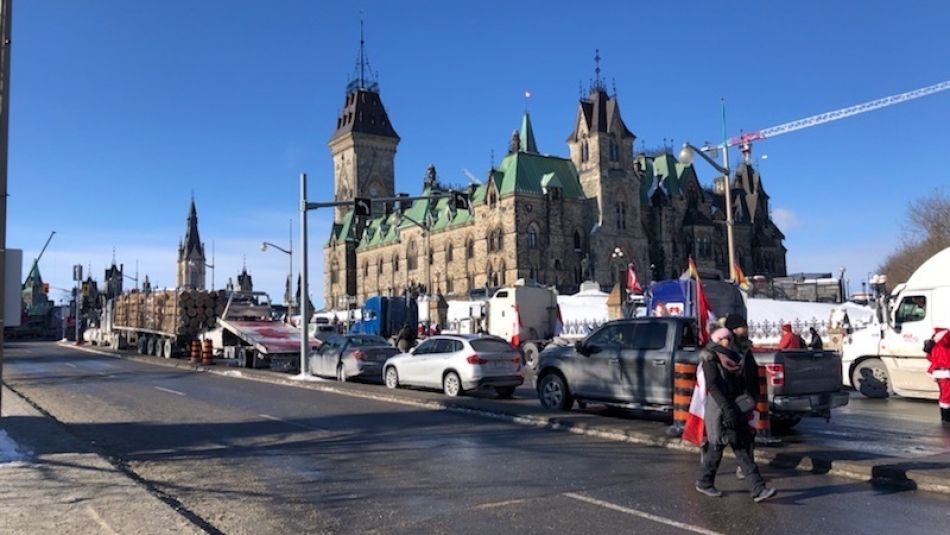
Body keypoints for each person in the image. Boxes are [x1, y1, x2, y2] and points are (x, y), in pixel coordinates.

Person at [696, 327, 777, 502]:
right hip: (719, 409)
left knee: (739, 447)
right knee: (718, 447)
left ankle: (757, 489)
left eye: (729, 337)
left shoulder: (735, 357)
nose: (729, 341)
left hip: (735, 407)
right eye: (725, 338)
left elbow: (742, 381)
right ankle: (705, 482)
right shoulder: (710, 358)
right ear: (718, 340)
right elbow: (713, 386)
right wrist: (726, 409)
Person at [925, 328, 950, 423]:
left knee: (944, 395)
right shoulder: (945, 343)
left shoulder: (934, 344)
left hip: (940, 372)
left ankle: (945, 416)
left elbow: (929, 357)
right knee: (947, 395)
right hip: (945, 373)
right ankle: (946, 417)